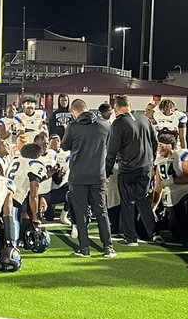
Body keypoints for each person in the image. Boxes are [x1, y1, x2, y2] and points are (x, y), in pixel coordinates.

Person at [61, 98, 115, 258]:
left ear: (73, 112)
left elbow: (64, 146)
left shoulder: (73, 126)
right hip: (98, 175)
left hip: (78, 176)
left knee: (81, 213)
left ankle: (84, 249)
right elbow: (111, 148)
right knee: (102, 212)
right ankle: (108, 248)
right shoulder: (105, 125)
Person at [106, 95, 156, 246]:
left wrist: (107, 171)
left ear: (116, 108)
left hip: (128, 169)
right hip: (145, 167)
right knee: (142, 200)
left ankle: (131, 237)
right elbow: (154, 141)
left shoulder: (118, 123)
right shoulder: (143, 118)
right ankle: (153, 233)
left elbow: (112, 151)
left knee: (128, 202)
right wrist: (150, 161)